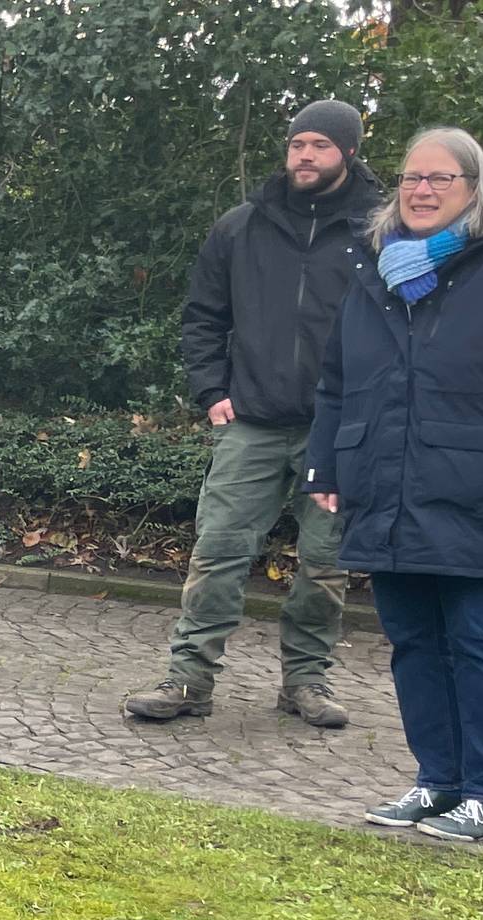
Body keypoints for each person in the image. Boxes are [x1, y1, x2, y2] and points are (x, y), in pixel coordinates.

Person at [309, 126, 483, 842]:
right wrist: (327, 463)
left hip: (480, 484)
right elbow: (339, 377)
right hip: (385, 482)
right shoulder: (376, 265)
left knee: (479, 639)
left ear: (476, 188)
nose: (423, 190)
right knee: (413, 642)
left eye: (441, 179)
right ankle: (438, 781)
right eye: (411, 178)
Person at [130, 100, 383, 728]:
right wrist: (210, 389)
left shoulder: (382, 232)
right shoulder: (240, 227)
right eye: (297, 143)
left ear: (348, 152)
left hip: (340, 429)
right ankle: (189, 682)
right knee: (216, 553)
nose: (304, 155)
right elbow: (203, 317)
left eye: (320, 145)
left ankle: (306, 683)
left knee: (324, 567)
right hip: (253, 423)